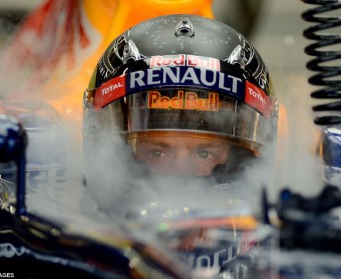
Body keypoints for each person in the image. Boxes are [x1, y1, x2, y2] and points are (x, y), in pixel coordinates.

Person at [81, 14, 278, 276]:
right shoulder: (65, 241)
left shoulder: (279, 252)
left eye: (203, 152)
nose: (181, 171)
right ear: (119, 153)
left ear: (241, 158)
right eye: (158, 151)